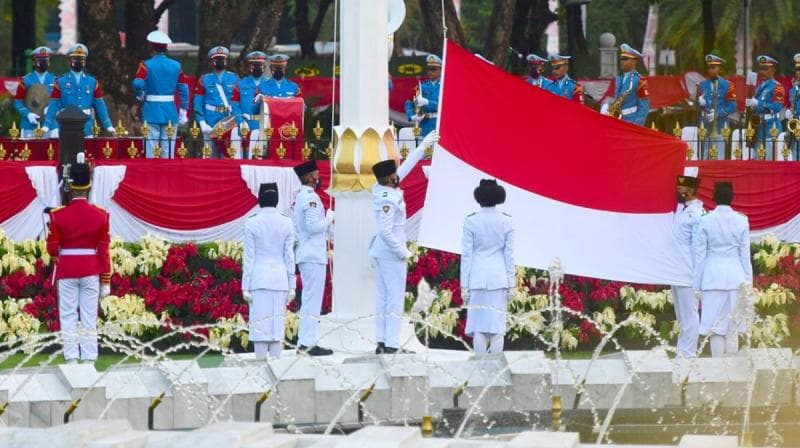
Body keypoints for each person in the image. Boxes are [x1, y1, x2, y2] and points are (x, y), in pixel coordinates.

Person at [369, 131, 439, 354]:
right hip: (391, 253)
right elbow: (386, 231)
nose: (397, 176)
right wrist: (403, 252)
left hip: (381, 252)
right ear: (389, 178)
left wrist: (423, 147)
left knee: (383, 298)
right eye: (394, 175)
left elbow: (405, 169)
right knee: (394, 299)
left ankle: (382, 341)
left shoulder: (382, 188)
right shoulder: (388, 198)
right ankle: (391, 344)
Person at [46, 153, 111, 364]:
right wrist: (106, 280)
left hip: (67, 269)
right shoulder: (101, 215)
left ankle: (72, 358)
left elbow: (52, 249)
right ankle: (90, 359)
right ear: (89, 185)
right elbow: (103, 250)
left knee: (68, 316)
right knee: (89, 316)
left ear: (71, 186)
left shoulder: (58, 215)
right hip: (91, 269)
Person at [693, 182, 753, 358]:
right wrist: (748, 283)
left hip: (713, 278)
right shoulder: (741, 221)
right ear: (732, 197)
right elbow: (745, 256)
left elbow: (700, 257)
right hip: (736, 277)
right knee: (732, 327)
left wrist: (696, 285)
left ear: (714, 197)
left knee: (716, 328)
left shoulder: (705, 221)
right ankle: (731, 372)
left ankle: (717, 369)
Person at [242, 183, 296, 360]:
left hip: (259, 279)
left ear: (260, 198)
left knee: (260, 330)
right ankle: (276, 370)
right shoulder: (286, 222)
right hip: (279, 280)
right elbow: (289, 257)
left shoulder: (251, 222)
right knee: (276, 329)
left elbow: (249, 258)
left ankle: (261, 369)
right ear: (276, 199)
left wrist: (245, 287)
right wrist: (292, 285)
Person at [461, 179, 515, 355]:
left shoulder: (471, 221)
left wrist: (464, 285)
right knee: (497, 328)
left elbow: (467, 256)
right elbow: (509, 256)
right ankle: (495, 369)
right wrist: (512, 284)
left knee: (478, 327)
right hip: (499, 279)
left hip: (477, 278)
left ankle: (480, 367)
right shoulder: (506, 221)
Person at [292, 160, 335, 356]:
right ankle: (307, 343)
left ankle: (305, 341)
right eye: (316, 174)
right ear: (309, 177)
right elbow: (312, 227)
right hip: (312, 254)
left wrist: (329, 229)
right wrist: (328, 218)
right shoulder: (310, 197)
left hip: (310, 253)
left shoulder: (306, 196)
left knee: (311, 299)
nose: (319, 177)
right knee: (312, 300)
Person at [133, 30, 190, 158]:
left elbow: (137, 83)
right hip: (170, 110)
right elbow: (183, 89)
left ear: (152, 46)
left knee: (151, 151)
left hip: (151, 110)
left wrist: (140, 94)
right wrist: (183, 110)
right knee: (168, 152)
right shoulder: (176, 66)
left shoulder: (145, 65)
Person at [42, 44, 115, 138]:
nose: (78, 62)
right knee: (68, 151)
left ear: (84, 62)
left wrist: (108, 124)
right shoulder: (60, 81)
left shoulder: (92, 82)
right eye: (75, 60)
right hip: (67, 124)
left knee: (87, 151)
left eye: (81, 60)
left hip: (87, 126)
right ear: (69, 62)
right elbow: (53, 104)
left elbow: (100, 105)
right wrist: (46, 125)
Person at [671, 171, 704, 358]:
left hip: (688, 271)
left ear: (690, 190)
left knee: (690, 315)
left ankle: (689, 355)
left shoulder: (698, 214)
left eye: (681, 188)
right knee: (681, 316)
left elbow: (698, 249)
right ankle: (681, 353)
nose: (678, 190)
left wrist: (698, 277)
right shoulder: (681, 209)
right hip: (675, 269)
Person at [193, 46, 241, 158]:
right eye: (216, 59)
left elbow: (238, 101)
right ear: (211, 62)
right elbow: (198, 103)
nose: (220, 62)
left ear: (226, 61)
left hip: (229, 120)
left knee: (229, 155)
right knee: (210, 156)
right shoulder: (204, 79)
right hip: (210, 121)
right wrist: (201, 122)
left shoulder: (234, 78)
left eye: (222, 59)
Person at [696, 54, 737, 160]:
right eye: (709, 67)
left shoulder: (728, 85)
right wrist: (700, 103)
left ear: (720, 69)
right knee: (704, 156)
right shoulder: (702, 84)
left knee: (719, 156)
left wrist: (718, 114)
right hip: (705, 125)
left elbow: (732, 107)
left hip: (720, 126)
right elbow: (697, 107)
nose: (710, 70)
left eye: (713, 67)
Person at [746, 55, 784, 160]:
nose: (762, 72)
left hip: (771, 128)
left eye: (765, 69)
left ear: (773, 70)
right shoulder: (759, 87)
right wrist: (750, 107)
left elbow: (777, 107)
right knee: (757, 161)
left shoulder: (777, 87)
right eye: (761, 69)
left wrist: (757, 103)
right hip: (758, 128)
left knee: (769, 160)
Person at [601, 43, 649, 126]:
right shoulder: (619, 79)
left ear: (634, 61)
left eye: (625, 59)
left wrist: (637, 125)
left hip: (631, 120)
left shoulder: (640, 80)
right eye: (621, 59)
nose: (622, 61)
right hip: (617, 120)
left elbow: (644, 106)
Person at [14, 46, 56, 138]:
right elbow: (17, 102)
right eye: (40, 60)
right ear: (33, 62)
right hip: (29, 125)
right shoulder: (25, 80)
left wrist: (52, 108)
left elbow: (60, 101)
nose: (43, 62)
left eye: (46, 60)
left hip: (51, 126)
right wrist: (28, 114)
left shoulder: (56, 80)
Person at [235, 51, 269, 157]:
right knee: (242, 155)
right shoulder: (240, 84)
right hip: (245, 123)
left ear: (264, 66)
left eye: (259, 65)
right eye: (254, 65)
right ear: (250, 66)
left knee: (260, 156)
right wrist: (240, 121)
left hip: (263, 124)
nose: (257, 67)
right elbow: (235, 105)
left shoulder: (270, 85)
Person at [404, 55, 441, 139]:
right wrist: (412, 116)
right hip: (424, 125)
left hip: (438, 125)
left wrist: (428, 102)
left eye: (433, 69)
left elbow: (445, 107)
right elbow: (408, 102)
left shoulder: (444, 86)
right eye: (429, 69)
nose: (430, 72)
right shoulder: (421, 86)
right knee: (424, 151)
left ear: (440, 70)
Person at [786, 53, 800, 160]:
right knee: (795, 154)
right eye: (797, 70)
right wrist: (789, 110)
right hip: (795, 125)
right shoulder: (793, 89)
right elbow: (790, 104)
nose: (798, 72)